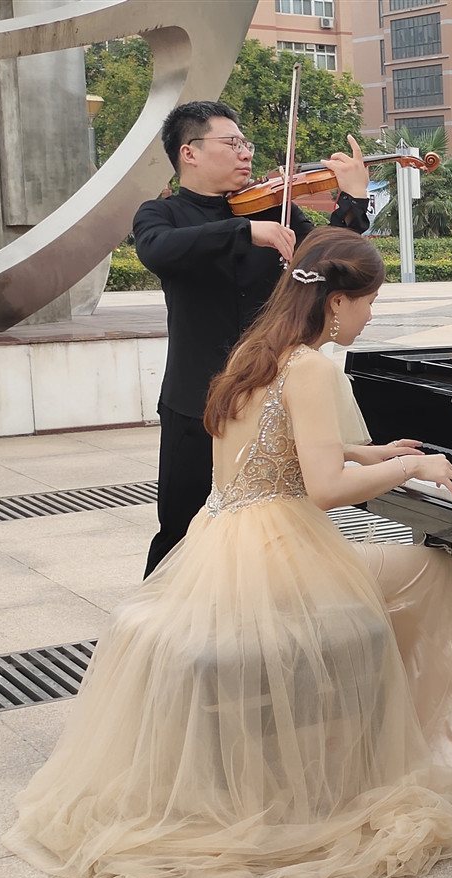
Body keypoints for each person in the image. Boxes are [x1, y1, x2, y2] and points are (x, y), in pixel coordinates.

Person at [4, 230, 452, 878]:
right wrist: (414, 466)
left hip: (228, 542)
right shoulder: (311, 367)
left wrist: (377, 452)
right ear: (337, 302)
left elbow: (290, 454)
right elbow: (326, 489)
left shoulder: (259, 350)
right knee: (431, 572)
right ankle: (384, 762)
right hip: (278, 558)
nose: (370, 317)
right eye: (370, 302)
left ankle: (360, 746)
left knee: (414, 572)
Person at [136, 100, 373, 576]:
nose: (246, 153)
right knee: (181, 530)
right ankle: (164, 633)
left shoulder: (274, 206)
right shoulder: (161, 215)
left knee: (268, 530)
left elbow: (332, 257)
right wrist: (245, 230)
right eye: (233, 143)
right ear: (190, 153)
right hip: (194, 401)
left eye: (246, 143)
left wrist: (353, 199)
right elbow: (159, 251)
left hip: (271, 401)